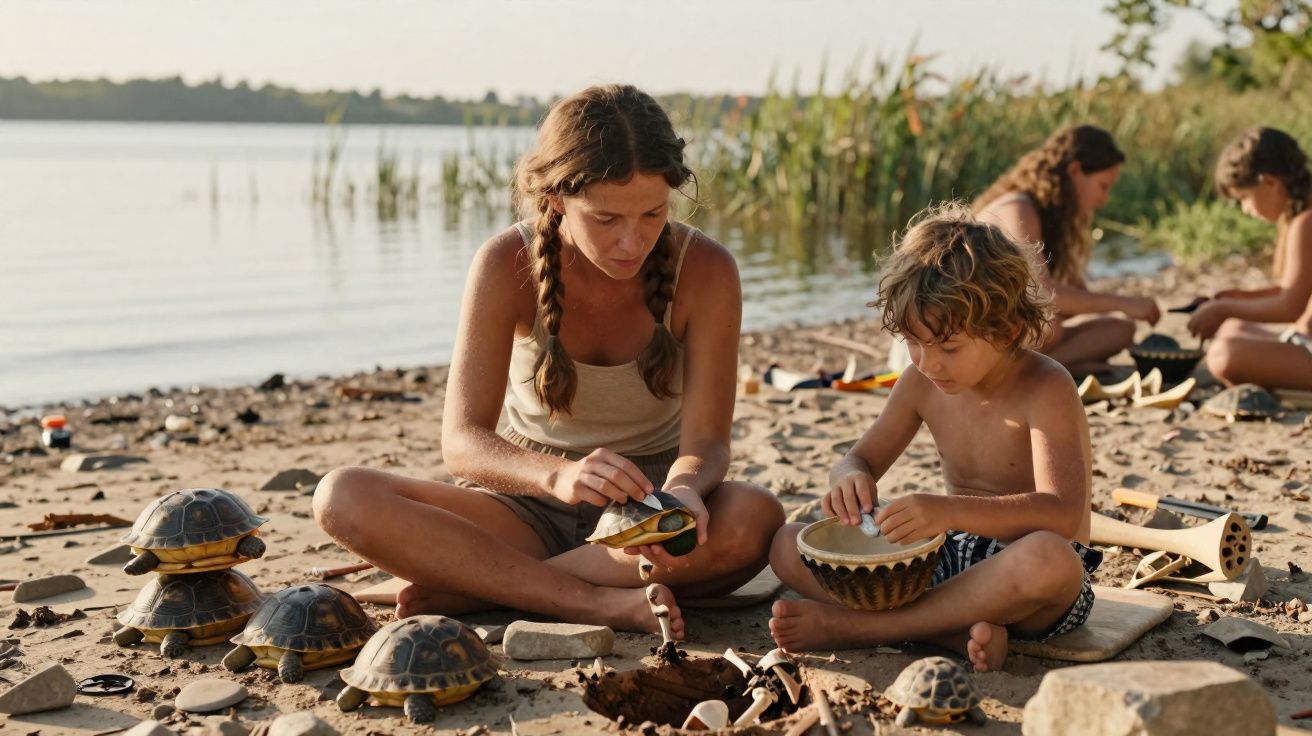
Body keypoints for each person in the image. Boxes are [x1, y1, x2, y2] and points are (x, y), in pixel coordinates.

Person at [313, 84, 784, 637]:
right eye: (606, 219)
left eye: (653, 213)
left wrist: (681, 494)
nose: (632, 242)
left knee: (755, 520)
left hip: (650, 515)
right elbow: (462, 441)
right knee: (342, 496)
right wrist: (558, 476)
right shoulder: (502, 263)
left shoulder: (707, 270)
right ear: (556, 198)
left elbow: (706, 443)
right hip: (527, 507)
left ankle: (493, 587)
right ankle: (587, 601)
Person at [768, 205, 1100, 672]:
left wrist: (945, 510)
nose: (928, 362)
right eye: (913, 341)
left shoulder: (1046, 386)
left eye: (949, 347)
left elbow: (1063, 515)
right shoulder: (919, 381)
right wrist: (849, 478)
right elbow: (859, 458)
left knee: (1050, 560)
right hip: (947, 557)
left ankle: (863, 628)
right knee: (787, 542)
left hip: (1024, 575)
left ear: (1006, 329)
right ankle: (947, 630)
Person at [974, 124, 1160, 373]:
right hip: (973, 330)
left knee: (1120, 328)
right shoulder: (1018, 208)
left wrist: (1119, 307)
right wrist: (1123, 302)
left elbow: (1074, 293)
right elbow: (1040, 293)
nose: (1105, 198)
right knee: (1048, 327)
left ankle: (1053, 368)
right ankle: (1039, 373)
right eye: (1103, 186)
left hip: (1008, 331)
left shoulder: (1051, 218)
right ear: (1075, 171)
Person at [1187, 127, 1312, 389]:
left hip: (1306, 343)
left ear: (1270, 182)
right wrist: (1235, 299)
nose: (1245, 209)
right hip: (1303, 338)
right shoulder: (1297, 219)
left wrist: (1224, 309)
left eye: (1244, 198)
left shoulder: (1306, 222)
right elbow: (1291, 290)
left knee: (1224, 354)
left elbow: (1291, 307)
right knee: (1232, 330)